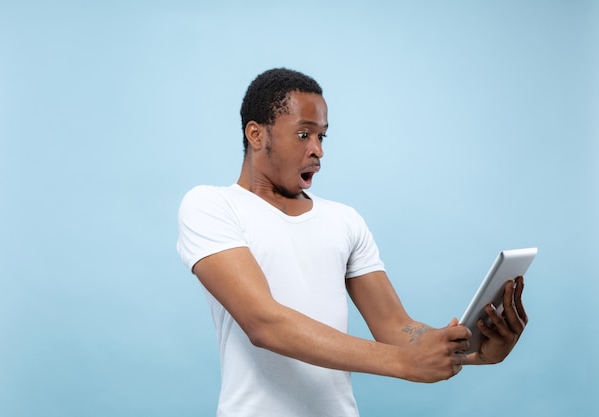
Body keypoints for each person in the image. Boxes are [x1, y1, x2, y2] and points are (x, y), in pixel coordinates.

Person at [176, 68, 528, 417]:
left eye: (322, 137)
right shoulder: (211, 205)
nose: (317, 150)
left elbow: (394, 326)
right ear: (256, 134)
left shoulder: (345, 220)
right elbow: (263, 322)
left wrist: (474, 351)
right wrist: (403, 363)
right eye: (303, 134)